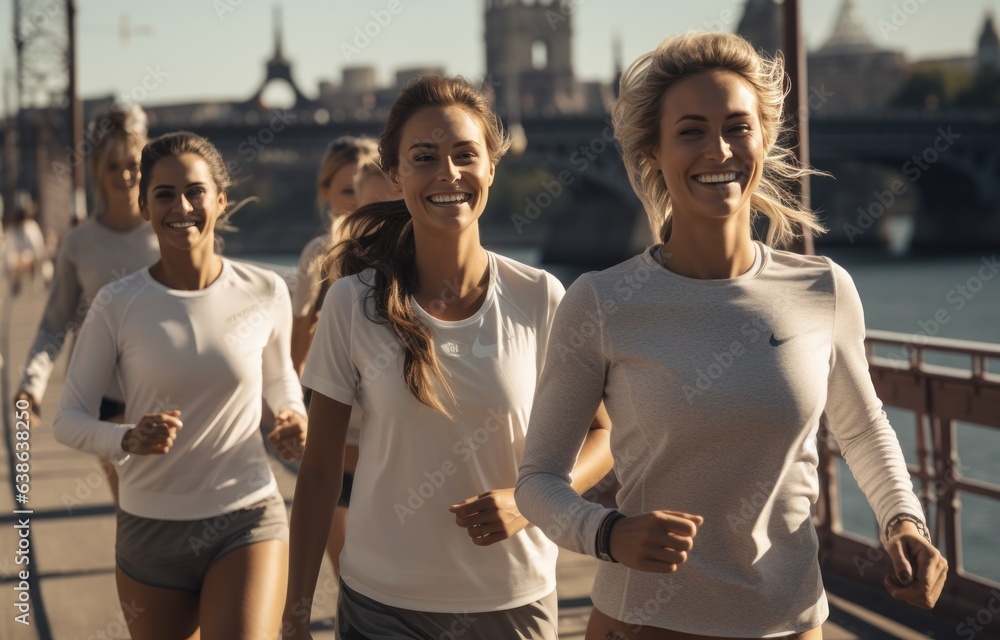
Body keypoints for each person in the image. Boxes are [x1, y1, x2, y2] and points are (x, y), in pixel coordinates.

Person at [515, 32, 948, 640]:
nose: (717, 149)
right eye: (690, 130)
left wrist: (904, 521)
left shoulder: (824, 288)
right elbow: (536, 482)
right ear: (654, 152)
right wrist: (608, 534)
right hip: (645, 624)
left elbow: (861, 427)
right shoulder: (602, 301)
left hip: (793, 624)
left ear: (763, 141)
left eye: (737, 127)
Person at [282, 75, 613, 640]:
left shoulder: (541, 297)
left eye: (465, 155)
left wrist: (533, 502)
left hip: (513, 602)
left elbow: (604, 436)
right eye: (425, 157)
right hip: (381, 606)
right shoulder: (350, 303)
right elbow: (318, 474)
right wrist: (294, 613)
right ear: (396, 174)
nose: (448, 173)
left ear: (491, 167)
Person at [53, 131, 307, 638]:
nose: (182, 206)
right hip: (150, 530)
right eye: (164, 194)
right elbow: (68, 419)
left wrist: (293, 417)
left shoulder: (265, 289)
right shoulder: (117, 303)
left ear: (220, 199)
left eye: (195, 191)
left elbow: (281, 382)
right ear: (145, 206)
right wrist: (125, 438)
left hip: (246, 516)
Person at [15, 105, 158, 501]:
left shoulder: (166, 233)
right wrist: (32, 385)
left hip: (168, 384)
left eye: (132, 164)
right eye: (113, 166)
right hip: (106, 389)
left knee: (171, 507)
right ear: (97, 169)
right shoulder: (79, 245)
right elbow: (54, 323)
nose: (125, 175)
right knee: (132, 504)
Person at [290, 136, 379, 377]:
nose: (360, 200)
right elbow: (296, 359)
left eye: (368, 188)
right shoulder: (318, 254)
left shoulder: (412, 249)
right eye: (350, 191)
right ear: (325, 191)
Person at [3, 193, 47, 296]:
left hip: (31, 256)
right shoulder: (15, 229)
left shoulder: (31, 227)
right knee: (12, 261)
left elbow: (37, 246)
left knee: (24, 259)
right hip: (19, 257)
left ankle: (31, 284)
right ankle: (16, 283)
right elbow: (12, 246)